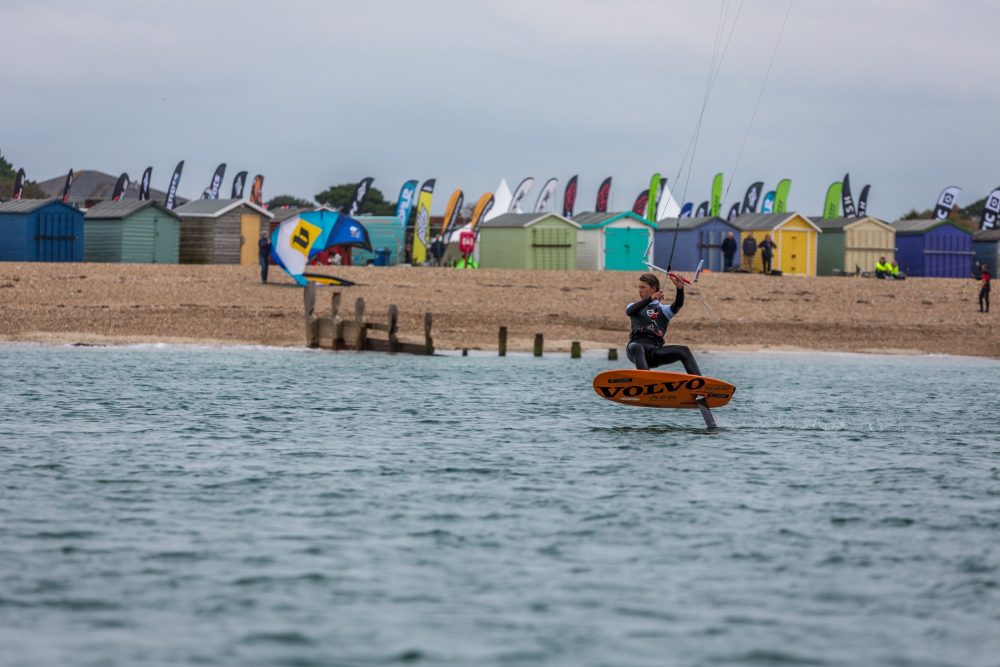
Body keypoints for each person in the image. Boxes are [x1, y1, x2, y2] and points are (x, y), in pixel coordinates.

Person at [625, 272, 702, 375]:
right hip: (635, 349)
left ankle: (699, 381)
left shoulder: (664, 310)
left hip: (654, 352)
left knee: (684, 350)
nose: (639, 290)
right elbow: (629, 312)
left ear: (653, 289)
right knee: (637, 347)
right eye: (639, 287)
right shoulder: (633, 306)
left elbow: (677, 305)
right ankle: (645, 379)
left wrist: (680, 289)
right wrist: (650, 299)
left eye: (643, 287)